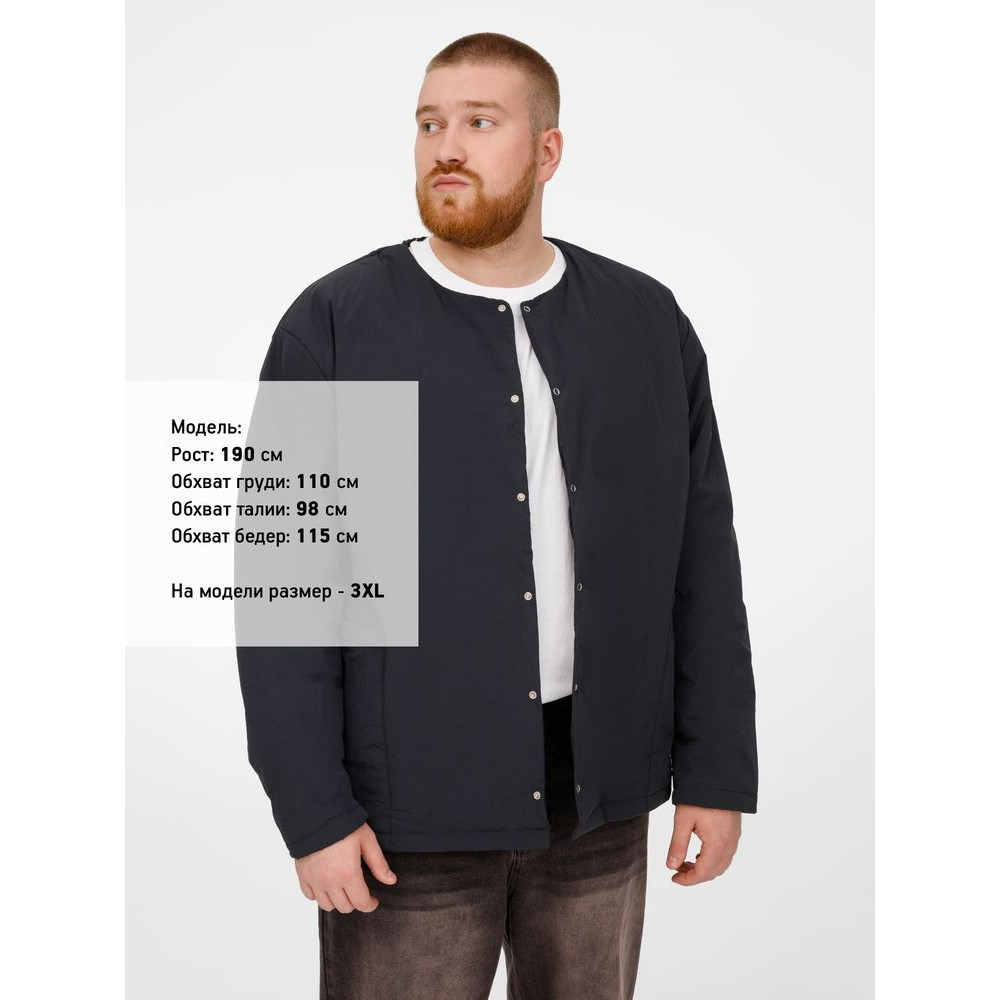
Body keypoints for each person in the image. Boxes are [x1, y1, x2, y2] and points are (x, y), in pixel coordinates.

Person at [237, 31, 758, 1000]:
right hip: (404, 823)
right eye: (429, 123)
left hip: (599, 806)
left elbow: (701, 564)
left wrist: (716, 771)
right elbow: (284, 591)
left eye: (480, 122)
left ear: (547, 151)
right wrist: (312, 811)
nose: (447, 147)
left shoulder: (645, 324)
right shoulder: (337, 326)